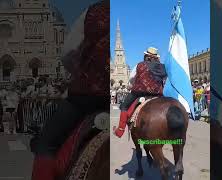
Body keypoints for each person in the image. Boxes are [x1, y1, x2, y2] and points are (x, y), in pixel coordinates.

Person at [31, 1, 109, 180]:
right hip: (111, 98)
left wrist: (81, 74)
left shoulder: (94, 11)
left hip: (87, 96)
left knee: (46, 143)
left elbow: (68, 52)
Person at [113, 47, 167, 138]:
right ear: (156, 57)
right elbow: (164, 79)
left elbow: (131, 78)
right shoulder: (162, 67)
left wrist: (134, 84)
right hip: (158, 93)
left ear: (146, 55)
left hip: (140, 92)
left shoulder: (140, 65)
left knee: (124, 106)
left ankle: (120, 131)